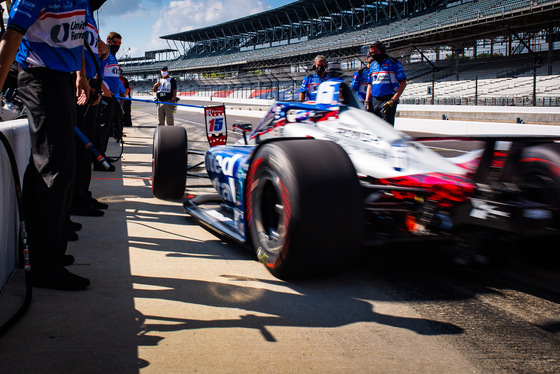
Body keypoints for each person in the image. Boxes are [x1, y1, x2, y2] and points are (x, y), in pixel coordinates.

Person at [0, 0, 90, 290]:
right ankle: (44, 264)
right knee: (55, 168)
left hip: (63, 78)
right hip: (40, 77)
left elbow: (76, 39)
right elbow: (11, 37)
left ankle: (39, 253)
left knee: (49, 164)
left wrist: (80, 75)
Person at [72, 1, 109, 217]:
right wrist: (83, 78)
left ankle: (82, 195)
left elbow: (97, 45)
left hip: (90, 80)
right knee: (79, 147)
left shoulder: (88, 9)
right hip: (79, 80)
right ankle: (76, 199)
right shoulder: (77, 6)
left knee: (86, 147)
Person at [94, 31, 125, 171]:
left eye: (119, 43)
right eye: (115, 42)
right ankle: (98, 158)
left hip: (112, 97)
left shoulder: (114, 58)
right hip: (104, 97)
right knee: (101, 128)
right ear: (108, 41)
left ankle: (102, 154)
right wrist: (103, 89)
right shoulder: (105, 55)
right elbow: (95, 72)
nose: (117, 45)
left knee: (106, 128)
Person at [364, 41, 407, 126]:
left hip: (388, 99)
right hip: (375, 101)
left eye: (376, 52)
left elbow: (403, 83)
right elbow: (370, 85)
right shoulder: (372, 66)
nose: (374, 54)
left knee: (387, 128)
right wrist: (367, 101)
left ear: (382, 50)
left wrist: (393, 100)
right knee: (375, 128)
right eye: (372, 53)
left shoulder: (394, 63)